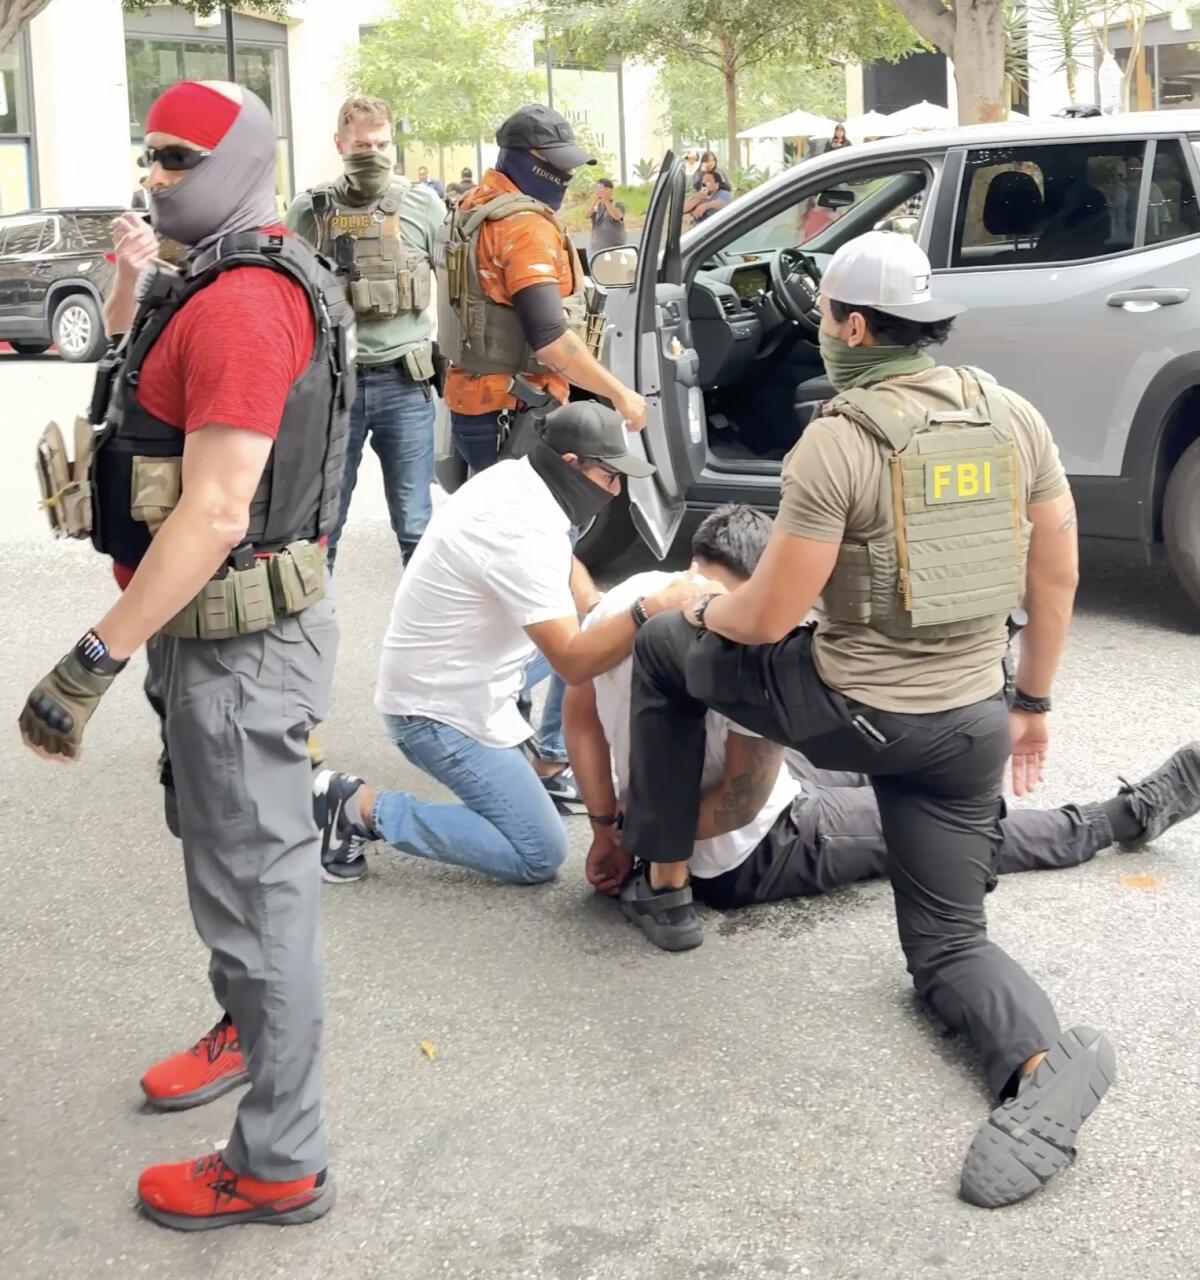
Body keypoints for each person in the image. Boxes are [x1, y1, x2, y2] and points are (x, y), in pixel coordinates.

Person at [616, 229, 1116, 1210]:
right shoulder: (1012, 415)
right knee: (949, 946)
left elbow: (765, 617)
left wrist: (701, 610)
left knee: (665, 651)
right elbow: (1057, 574)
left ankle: (666, 888)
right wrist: (1031, 703)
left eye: (823, 318)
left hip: (856, 711)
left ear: (851, 327)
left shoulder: (838, 441)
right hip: (970, 721)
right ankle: (1037, 1064)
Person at [22, 79, 352, 1230]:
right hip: (215, 641)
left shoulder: (243, 303)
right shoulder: (212, 271)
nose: (153, 175)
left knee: (260, 898)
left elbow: (213, 511)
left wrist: (90, 662)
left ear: (241, 163)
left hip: (237, 647)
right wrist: (127, 279)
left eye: (177, 158)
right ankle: (245, 1028)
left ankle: (279, 1160)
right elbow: (140, 385)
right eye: (148, 155)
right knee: (229, 877)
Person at [566, 506, 1200, 911]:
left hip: (716, 798)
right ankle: (1125, 817)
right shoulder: (737, 641)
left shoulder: (633, 596)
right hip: (750, 850)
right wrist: (646, 840)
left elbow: (580, 717)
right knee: (943, 829)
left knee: (882, 750)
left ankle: (950, 756)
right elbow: (742, 801)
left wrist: (606, 829)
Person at [312, 402, 713, 885]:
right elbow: (573, 663)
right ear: (572, 464)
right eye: (610, 476)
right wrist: (649, 607)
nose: (615, 490)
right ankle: (358, 808)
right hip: (434, 711)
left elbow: (563, 562)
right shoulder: (517, 529)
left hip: (467, 661)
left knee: (603, 628)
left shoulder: (522, 479)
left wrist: (597, 608)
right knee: (538, 852)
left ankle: (548, 762)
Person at [439, 102, 647, 474]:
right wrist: (620, 394)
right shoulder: (523, 225)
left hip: (474, 402)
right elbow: (551, 340)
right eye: (558, 162)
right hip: (514, 410)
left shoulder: (474, 204)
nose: (567, 173)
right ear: (526, 157)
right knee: (532, 511)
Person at [285, 96, 443, 574]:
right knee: (321, 527)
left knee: (416, 525)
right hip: (336, 386)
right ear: (340, 144)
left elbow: (455, 290)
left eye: (381, 145)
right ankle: (312, 619)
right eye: (361, 146)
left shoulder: (423, 204)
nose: (372, 154)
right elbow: (287, 297)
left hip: (406, 383)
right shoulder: (309, 209)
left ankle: (425, 621)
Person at [587, 177, 627, 252]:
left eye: (601, 188)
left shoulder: (618, 204)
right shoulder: (596, 206)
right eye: (597, 189)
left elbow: (617, 216)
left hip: (615, 248)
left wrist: (606, 201)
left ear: (609, 190)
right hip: (596, 248)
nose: (598, 191)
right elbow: (587, 215)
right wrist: (595, 200)